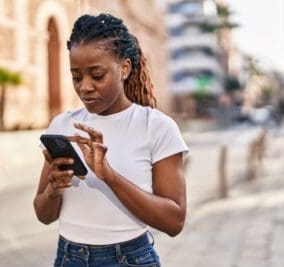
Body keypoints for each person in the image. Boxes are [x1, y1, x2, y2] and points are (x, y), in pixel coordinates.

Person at [33, 13, 188, 267]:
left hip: (130, 259)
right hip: (69, 258)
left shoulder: (156, 127)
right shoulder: (62, 125)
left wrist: (110, 176)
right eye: (76, 76)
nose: (84, 87)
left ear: (124, 69)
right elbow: (43, 215)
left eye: (96, 75)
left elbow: (175, 222)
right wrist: (54, 189)